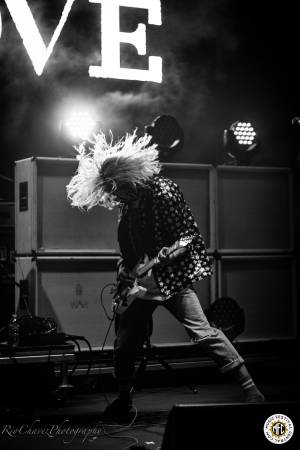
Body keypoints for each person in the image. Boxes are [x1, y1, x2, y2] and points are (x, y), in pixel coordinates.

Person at [66, 130, 264, 417]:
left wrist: (169, 255)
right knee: (125, 343)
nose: (114, 195)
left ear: (126, 178)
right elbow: (129, 250)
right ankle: (124, 399)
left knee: (204, 333)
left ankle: (251, 389)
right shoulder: (126, 206)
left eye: (115, 188)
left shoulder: (163, 191)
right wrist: (124, 270)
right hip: (139, 287)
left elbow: (186, 237)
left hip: (172, 281)